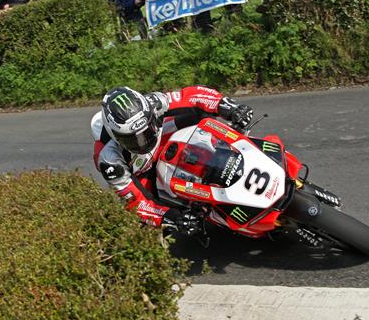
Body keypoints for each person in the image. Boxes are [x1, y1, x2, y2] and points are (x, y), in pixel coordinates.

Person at [90, 86, 253, 234]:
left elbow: (191, 96)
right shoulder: (108, 161)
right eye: (133, 140)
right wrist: (171, 218)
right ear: (116, 137)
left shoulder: (153, 102)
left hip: (164, 137)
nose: (143, 142)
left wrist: (226, 106)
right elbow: (136, 202)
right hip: (144, 172)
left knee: (198, 113)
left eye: (146, 131)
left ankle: (236, 142)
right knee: (150, 230)